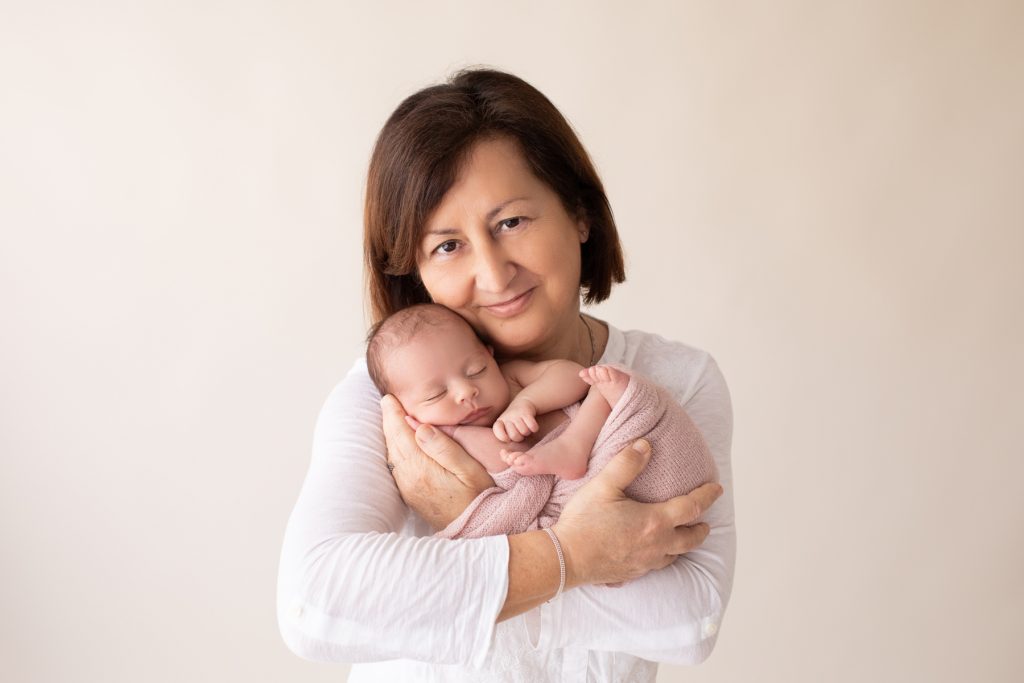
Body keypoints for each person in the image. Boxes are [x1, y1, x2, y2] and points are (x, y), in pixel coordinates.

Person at [277, 68, 735, 681]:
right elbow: (315, 605)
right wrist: (574, 554)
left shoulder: (674, 379)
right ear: (415, 272)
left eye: (512, 222)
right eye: (447, 246)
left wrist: (466, 529)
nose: (493, 275)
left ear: (578, 214)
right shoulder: (388, 396)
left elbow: (691, 619)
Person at [365, 301, 639, 479]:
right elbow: (507, 464)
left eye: (476, 370)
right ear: (402, 411)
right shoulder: (439, 442)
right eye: (435, 394)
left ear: (489, 356)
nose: (466, 391)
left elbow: (574, 376)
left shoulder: (509, 378)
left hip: (601, 440)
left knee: (608, 382)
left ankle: (573, 445)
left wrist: (528, 402)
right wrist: (458, 433)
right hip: (579, 488)